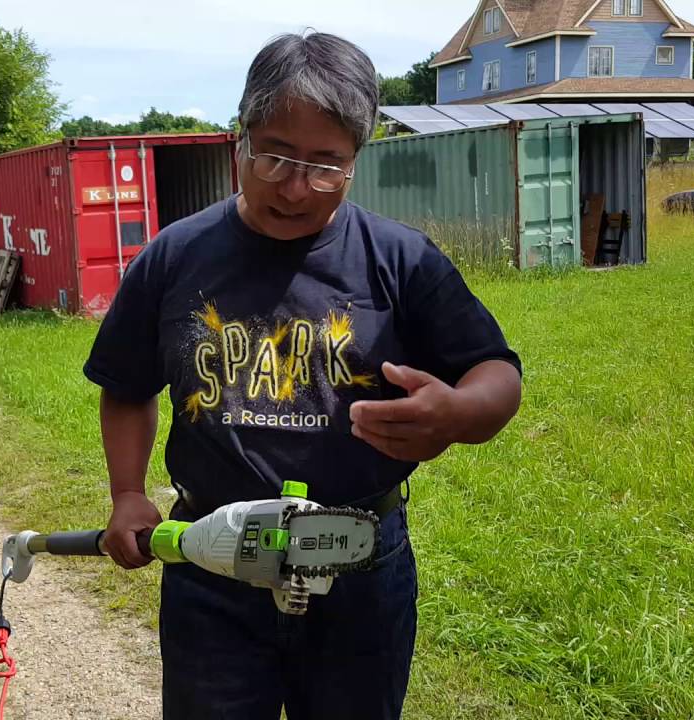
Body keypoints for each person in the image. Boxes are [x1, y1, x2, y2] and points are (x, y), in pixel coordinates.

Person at [82, 30, 523, 720]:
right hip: (213, 567)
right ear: (241, 139)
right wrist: (127, 493)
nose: (295, 186)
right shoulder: (174, 257)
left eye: (326, 165)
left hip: (357, 571)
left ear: (356, 161)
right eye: (276, 156)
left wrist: (460, 415)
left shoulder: (401, 260)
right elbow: (127, 386)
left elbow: (497, 372)